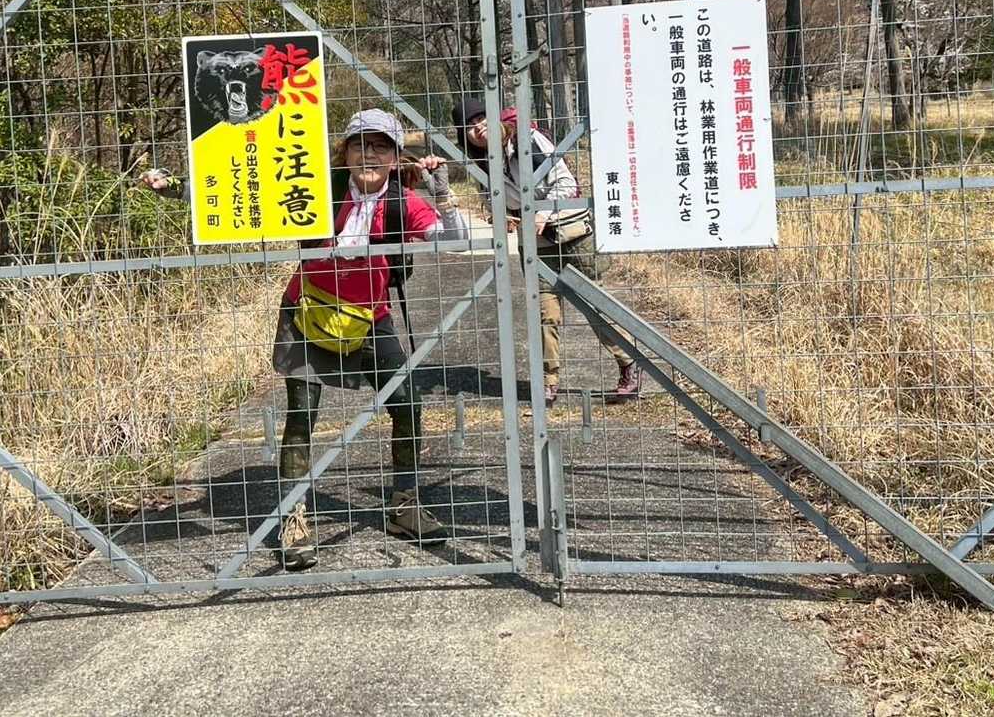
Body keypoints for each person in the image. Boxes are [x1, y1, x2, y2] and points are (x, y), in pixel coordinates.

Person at [142, 108, 469, 571]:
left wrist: (442, 190)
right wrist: (174, 187)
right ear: (344, 152)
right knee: (302, 414)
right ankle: (293, 518)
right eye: (359, 145)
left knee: (407, 404)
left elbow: (454, 241)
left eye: (380, 147)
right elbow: (240, 198)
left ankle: (404, 505)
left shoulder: (402, 202)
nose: (369, 155)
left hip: (368, 317)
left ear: (396, 158)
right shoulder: (316, 188)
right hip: (307, 310)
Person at [451, 97, 640, 408]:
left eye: (481, 119)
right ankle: (548, 382)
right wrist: (503, 215)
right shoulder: (482, 165)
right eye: (469, 126)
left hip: (572, 233)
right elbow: (495, 200)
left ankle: (628, 364)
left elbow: (565, 182)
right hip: (536, 243)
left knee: (595, 306)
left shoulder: (526, 139)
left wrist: (542, 213)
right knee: (544, 314)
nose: (478, 128)